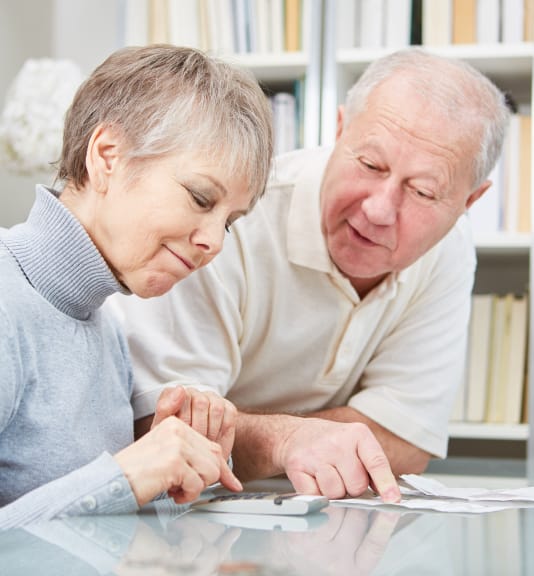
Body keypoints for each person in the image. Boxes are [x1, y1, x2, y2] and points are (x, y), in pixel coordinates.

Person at [108, 48, 510, 501]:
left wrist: (258, 433)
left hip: (314, 518)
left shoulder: (450, 247)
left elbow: (407, 442)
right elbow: (167, 431)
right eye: (370, 165)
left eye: (422, 191)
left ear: (469, 203)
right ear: (339, 132)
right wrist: (285, 440)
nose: (378, 210)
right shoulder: (227, 220)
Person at [0, 44, 275, 529]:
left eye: (229, 222)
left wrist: (185, 471)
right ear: (108, 156)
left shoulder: (104, 321)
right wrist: (125, 475)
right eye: (199, 197)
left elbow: (96, 528)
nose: (213, 243)